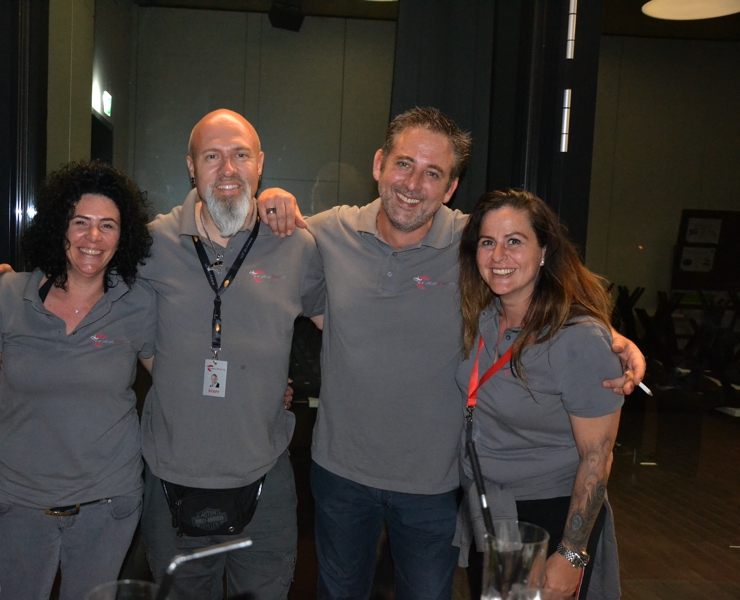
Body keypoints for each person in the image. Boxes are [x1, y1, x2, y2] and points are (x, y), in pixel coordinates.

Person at [255, 107, 644, 600]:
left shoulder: (474, 244)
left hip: (436, 485)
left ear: (451, 187)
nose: (413, 184)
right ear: (379, 163)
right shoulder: (330, 231)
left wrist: (609, 336)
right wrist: (268, 200)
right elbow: (264, 265)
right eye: (404, 164)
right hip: (340, 474)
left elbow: (538, 283)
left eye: (433, 173)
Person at [0, 110, 324, 599]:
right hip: (169, 480)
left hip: (267, 476)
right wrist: (2, 285)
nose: (228, 169)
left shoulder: (295, 244)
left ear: (260, 164)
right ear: (191, 168)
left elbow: (341, 327)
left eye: (241, 155)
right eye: (212, 156)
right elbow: (81, 271)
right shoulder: (151, 244)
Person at [0, 161, 156, 600]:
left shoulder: (139, 304)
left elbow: (176, 376)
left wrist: (261, 387)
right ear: (59, 227)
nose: (93, 237)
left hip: (109, 505)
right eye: (80, 222)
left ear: (123, 237)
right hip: (19, 504)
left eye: (108, 225)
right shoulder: (5, 295)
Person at [454, 189, 622, 600]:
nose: (499, 256)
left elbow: (597, 457)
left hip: (549, 516)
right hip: (490, 509)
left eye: (515, 241)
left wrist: (571, 553)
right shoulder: (482, 316)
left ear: (544, 251)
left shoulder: (578, 339)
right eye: (488, 242)